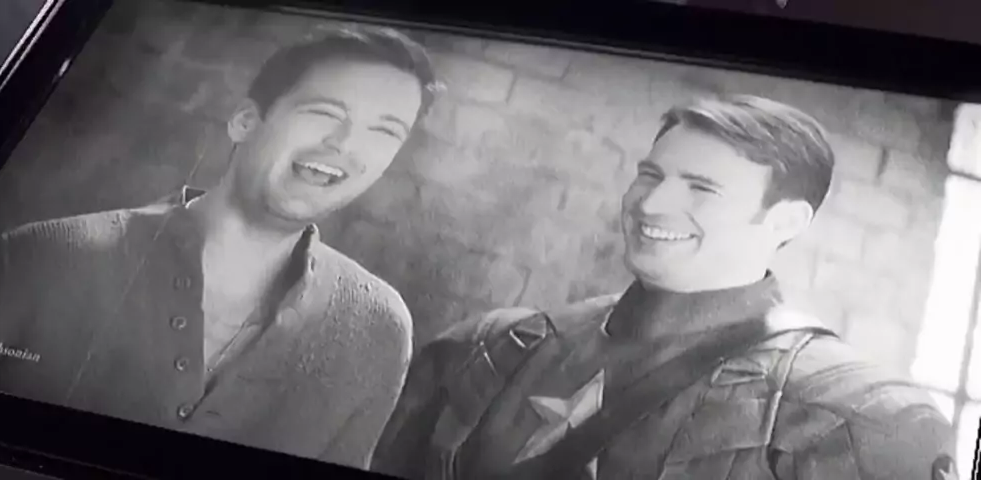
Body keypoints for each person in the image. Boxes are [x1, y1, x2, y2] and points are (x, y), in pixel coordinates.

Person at [0, 24, 440, 470]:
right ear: (246, 121)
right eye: (326, 113)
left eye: (384, 131)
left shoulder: (380, 329)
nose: (346, 145)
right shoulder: (39, 258)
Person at [370, 95, 958, 479]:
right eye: (650, 175)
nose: (652, 204)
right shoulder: (494, 348)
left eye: (702, 188)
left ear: (785, 222)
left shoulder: (853, 420)